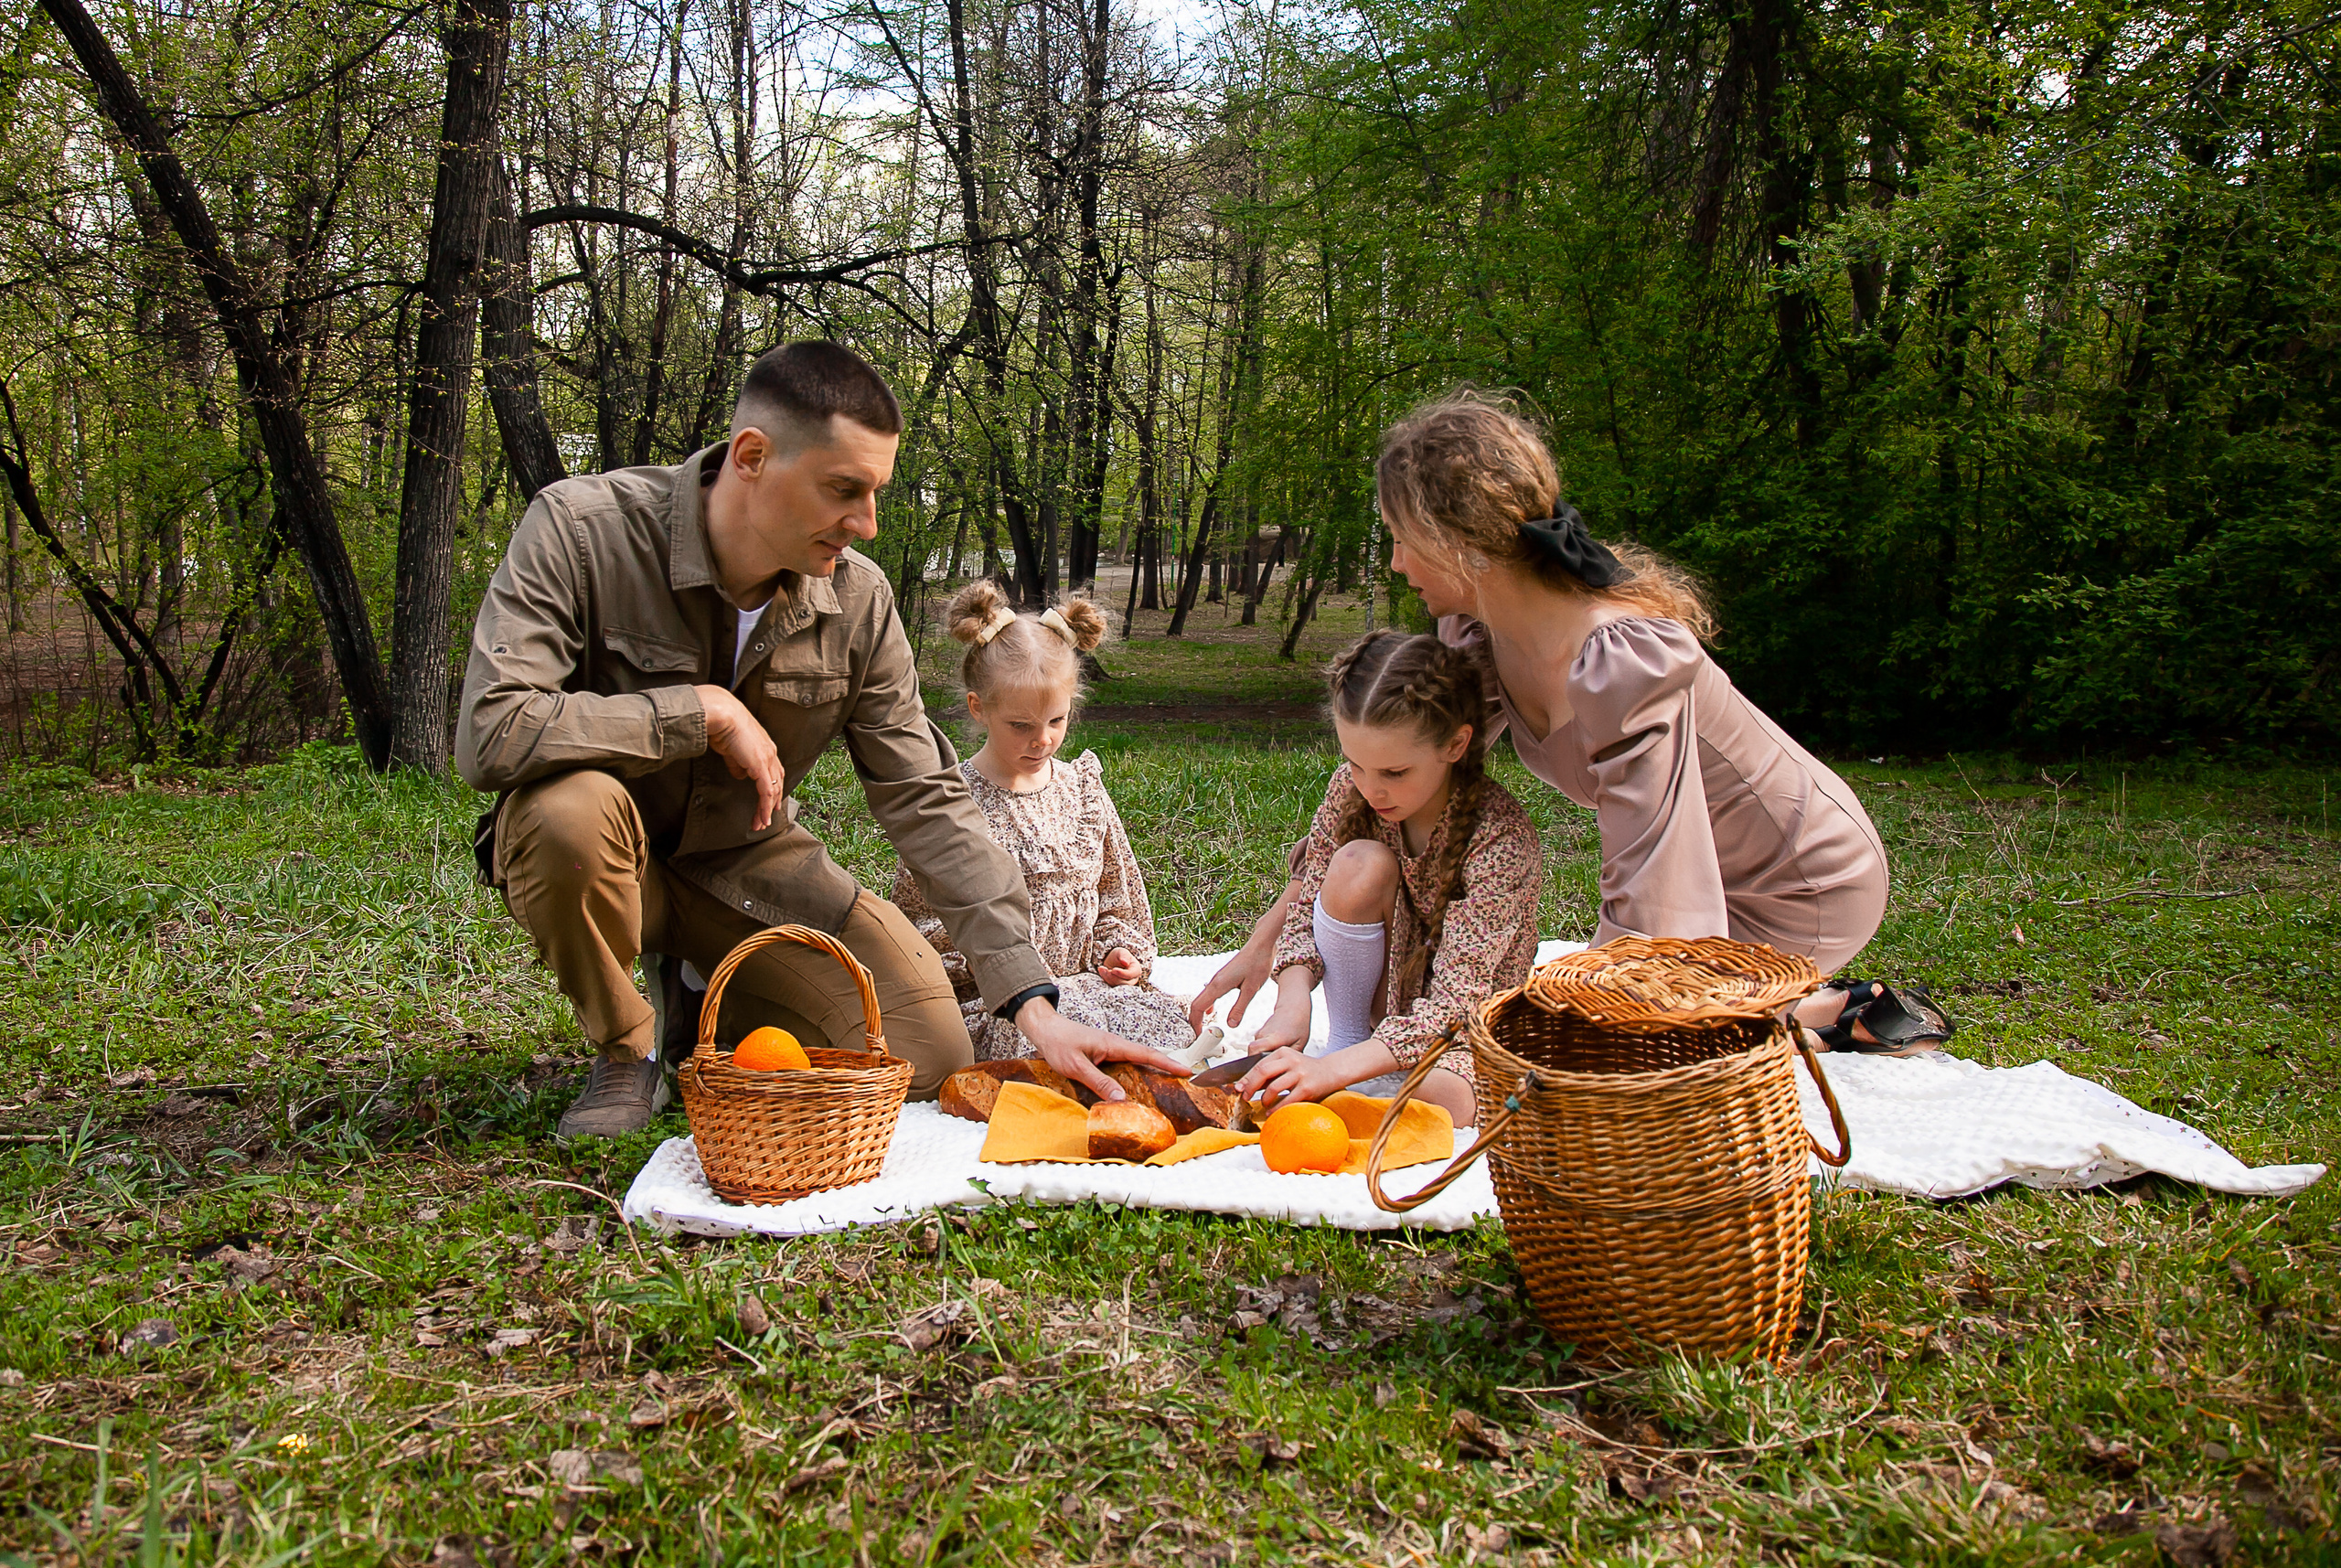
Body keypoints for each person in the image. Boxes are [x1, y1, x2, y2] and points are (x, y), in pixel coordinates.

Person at [456, 339, 1187, 1138]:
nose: (867, 524)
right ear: (752, 456)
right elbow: (494, 726)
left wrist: (1031, 999)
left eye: (875, 493)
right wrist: (696, 711)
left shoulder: (858, 600)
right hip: (599, 851)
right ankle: (628, 1046)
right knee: (568, 814)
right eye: (845, 490)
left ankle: (704, 995)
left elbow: (925, 797)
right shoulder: (581, 531)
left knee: (926, 1055)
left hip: (747, 862)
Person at [1192, 389, 1950, 1052]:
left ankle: (1780, 1010)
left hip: (1797, 878)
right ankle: (1804, 1014)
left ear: (1463, 547)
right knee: (1560, 1009)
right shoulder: (1480, 635)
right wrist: (1267, 945)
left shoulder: (1621, 658)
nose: (1395, 562)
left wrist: (1582, 1014)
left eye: (1402, 538)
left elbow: (1655, 898)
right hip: (1701, 876)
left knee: (1580, 1028)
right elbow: (1378, 781)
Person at [1227, 630, 1545, 1128]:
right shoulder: (1349, 791)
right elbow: (1307, 905)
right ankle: (1349, 1044)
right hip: (1377, 1018)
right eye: (1355, 763)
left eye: (1395, 772)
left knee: (1451, 1101)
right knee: (1357, 862)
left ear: (1456, 744)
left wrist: (1331, 1072)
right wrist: (1293, 1002)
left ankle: (1343, 1077)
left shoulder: (1500, 840)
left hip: (1463, 1031)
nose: (1372, 788)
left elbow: (1457, 1007)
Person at [893, 583, 1195, 1061]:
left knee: (1173, 1028)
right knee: (1031, 1044)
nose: (1043, 741)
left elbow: (1115, 894)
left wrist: (1116, 953)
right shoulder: (952, 804)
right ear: (979, 708)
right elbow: (919, 922)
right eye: (1021, 725)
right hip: (1000, 1003)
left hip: (1085, 987)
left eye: (1057, 721)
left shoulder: (1082, 792)